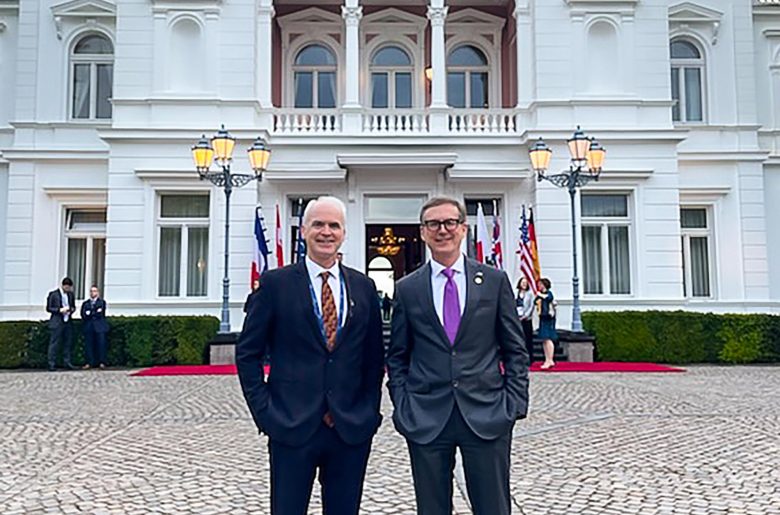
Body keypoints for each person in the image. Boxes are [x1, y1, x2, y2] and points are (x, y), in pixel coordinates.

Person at [236, 196, 384, 515]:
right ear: (303, 231)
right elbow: (247, 353)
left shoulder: (364, 287)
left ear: (344, 233)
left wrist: (368, 412)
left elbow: (374, 359)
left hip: (349, 429)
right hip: (291, 426)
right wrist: (265, 413)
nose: (326, 232)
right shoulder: (276, 284)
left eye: (334, 225)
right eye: (318, 224)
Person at [387, 196, 529, 515]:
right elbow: (398, 355)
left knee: (493, 506)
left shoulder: (493, 281)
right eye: (433, 224)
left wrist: (514, 404)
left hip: (487, 413)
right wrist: (403, 404)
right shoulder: (408, 288)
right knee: (432, 508)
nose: (443, 230)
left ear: (463, 228)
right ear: (423, 232)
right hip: (426, 416)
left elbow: (515, 349)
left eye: (450, 222)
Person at [46, 277, 76, 371]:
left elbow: (73, 306)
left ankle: (67, 362)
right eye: (67, 287)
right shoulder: (53, 294)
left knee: (67, 343)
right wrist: (59, 310)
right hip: (57, 322)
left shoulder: (70, 295)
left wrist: (71, 310)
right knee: (54, 343)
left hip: (67, 321)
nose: (68, 289)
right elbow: (49, 308)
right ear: (63, 286)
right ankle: (51, 363)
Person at [80, 285, 109, 369]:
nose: (93, 293)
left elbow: (100, 313)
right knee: (88, 345)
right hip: (89, 326)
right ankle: (89, 362)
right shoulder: (86, 303)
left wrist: (91, 313)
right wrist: (93, 313)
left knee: (101, 344)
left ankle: (102, 362)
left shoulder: (101, 302)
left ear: (98, 292)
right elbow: (84, 315)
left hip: (99, 327)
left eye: (95, 291)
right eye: (92, 291)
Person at [536, 278, 558, 370]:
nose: (539, 286)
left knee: (548, 338)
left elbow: (549, 298)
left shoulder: (548, 293)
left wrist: (540, 294)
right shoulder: (540, 295)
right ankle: (547, 358)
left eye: (540, 284)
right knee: (544, 339)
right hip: (542, 317)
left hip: (548, 318)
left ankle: (550, 359)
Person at [516, 277, 535, 364]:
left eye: (525, 283)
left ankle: (529, 358)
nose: (524, 284)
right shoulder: (516, 293)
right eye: (522, 283)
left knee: (527, 339)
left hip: (526, 319)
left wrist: (526, 315)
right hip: (517, 318)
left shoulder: (530, 294)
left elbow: (531, 306)